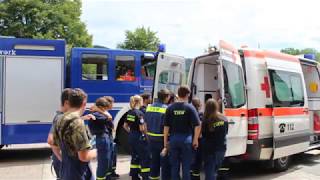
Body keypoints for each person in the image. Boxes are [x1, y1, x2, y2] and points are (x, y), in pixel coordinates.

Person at [51, 88, 96, 180]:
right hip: (78, 173)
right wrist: (98, 151)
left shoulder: (59, 119)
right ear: (84, 104)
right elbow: (84, 157)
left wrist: (64, 160)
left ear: (69, 102)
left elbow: (54, 145)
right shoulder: (78, 123)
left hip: (65, 171)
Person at [163, 86, 201, 180]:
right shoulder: (190, 108)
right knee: (186, 167)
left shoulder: (170, 108)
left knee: (174, 167)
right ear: (188, 94)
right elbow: (197, 125)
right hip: (186, 140)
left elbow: (166, 127)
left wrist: (165, 143)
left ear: (178, 94)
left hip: (174, 140)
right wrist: (195, 140)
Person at [144, 89, 171, 180]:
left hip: (151, 139)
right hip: (162, 139)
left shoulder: (149, 107)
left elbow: (145, 125)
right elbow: (166, 127)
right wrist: (166, 145)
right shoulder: (166, 109)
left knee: (154, 163)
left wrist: (147, 137)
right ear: (166, 97)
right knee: (165, 165)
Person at [47, 88, 72, 179]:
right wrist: (62, 158)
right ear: (67, 103)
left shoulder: (61, 116)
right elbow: (50, 140)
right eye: (74, 104)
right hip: (63, 163)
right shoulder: (61, 118)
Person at [123, 95, 150, 180]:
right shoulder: (139, 113)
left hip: (131, 136)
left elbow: (125, 126)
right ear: (139, 102)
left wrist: (131, 132)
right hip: (139, 137)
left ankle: (134, 176)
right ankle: (145, 177)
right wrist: (147, 136)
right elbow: (142, 128)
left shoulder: (130, 112)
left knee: (134, 156)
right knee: (144, 157)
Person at [202, 99, 228, 180]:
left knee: (210, 171)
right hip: (221, 148)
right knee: (215, 170)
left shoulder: (206, 119)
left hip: (210, 149)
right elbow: (226, 132)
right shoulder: (224, 118)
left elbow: (204, 134)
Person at [88, 97, 114, 180]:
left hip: (106, 137)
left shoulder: (99, 113)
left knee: (107, 161)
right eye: (105, 108)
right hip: (101, 138)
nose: (106, 110)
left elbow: (110, 124)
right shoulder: (96, 115)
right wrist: (100, 111)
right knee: (103, 163)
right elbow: (109, 118)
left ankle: (108, 177)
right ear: (101, 107)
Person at [190, 97, 203, 180]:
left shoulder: (190, 113)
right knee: (197, 161)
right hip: (198, 140)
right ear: (199, 105)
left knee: (191, 160)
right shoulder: (200, 114)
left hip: (190, 138)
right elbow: (200, 126)